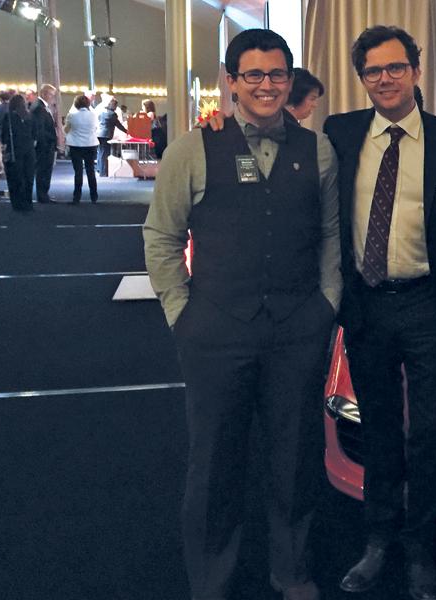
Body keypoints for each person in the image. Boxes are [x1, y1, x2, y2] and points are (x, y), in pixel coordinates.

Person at [143, 28, 341, 600]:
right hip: (215, 332)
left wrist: (327, 306)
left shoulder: (318, 149)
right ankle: (211, 581)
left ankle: (293, 570)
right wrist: (181, 313)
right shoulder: (191, 148)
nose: (266, 85)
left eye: (276, 74)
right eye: (252, 74)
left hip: (297, 331)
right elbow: (161, 236)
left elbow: (329, 235)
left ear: (290, 79)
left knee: (296, 460)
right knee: (214, 465)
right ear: (231, 82)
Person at [322, 25, 436, 600]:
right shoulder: (339, 133)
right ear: (362, 78)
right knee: (380, 429)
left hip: (428, 308)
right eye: (372, 71)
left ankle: (420, 549)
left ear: (415, 70)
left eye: (395, 67)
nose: (384, 79)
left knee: (429, 433)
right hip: (366, 307)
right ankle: (378, 539)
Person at [2, 94, 36, 212]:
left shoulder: (9, 117)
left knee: (15, 177)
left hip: (15, 150)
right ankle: (28, 202)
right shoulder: (29, 116)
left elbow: (5, 135)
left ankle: (17, 203)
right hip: (29, 150)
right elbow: (35, 133)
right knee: (29, 176)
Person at [64, 94, 99, 203]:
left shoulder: (71, 115)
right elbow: (95, 128)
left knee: (78, 172)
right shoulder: (94, 115)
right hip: (91, 144)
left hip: (76, 145)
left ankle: (77, 197)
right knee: (91, 171)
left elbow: (66, 129)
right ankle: (94, 196)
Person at [30, 84, 58, 203]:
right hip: (45, 146)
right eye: (51, 95)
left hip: (46, 145)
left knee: (45, 170)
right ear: (44, 94)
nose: (53, 97)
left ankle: (44, 194)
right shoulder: (39, 108)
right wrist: (47, 142)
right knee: (44, 170)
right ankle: (42, 195)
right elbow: (40, 129)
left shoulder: (41, 107)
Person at [96, 97, 127, 176]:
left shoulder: (103, 112)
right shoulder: (113, 114)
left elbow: (99, 120)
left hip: (99, 134)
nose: (116, 108)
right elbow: (118, 125)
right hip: (106, 135)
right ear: (114, 106)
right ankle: (103, 173)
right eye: (115, 106)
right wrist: (127, 131)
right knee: (105, 154)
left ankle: (99, 169)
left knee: (100, 153)